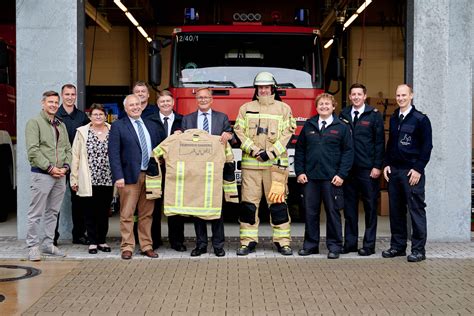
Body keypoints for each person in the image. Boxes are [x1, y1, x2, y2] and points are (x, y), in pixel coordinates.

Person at [233, 71, 296, 256]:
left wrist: (270, 153)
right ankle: (248, 242)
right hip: (251, 167)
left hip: (275, 167)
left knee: (278, 205)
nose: (263, 90)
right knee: (248, 206)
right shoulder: (245, 108)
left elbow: (287, 134)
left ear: (273, 88)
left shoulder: (284, 109)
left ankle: (283, 242)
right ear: (256, 89)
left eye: (267, 87)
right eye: (260, 87)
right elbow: (239, 132)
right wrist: (254, 150)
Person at [295, 93, 353, 259]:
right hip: (310, 178)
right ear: (316, 107)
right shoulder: (309, 125)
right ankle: (310, 245)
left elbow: (348, 152)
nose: (324, 107)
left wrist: (341, 174)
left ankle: (334, 246)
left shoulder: (341, 127)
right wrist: (300, 172)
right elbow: (300, 150)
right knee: (310, 213)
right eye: (321, 104)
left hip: (332, 178)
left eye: (327, 104)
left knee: (333, 213)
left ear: (333, 107)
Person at [382, 84, 432, 262]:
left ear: (411, 96)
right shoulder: (395, 117)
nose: (400, 98)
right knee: (396, 211)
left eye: (404, 95)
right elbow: (391, 143)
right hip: (394, 172)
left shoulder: (421, 119)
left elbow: (427, 147)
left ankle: (419, 250)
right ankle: (398, 246)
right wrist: (386, 163)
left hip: (412, 172)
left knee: (416, 210)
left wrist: (418, 168)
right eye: (398, 95)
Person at [108, 94, 162, 259]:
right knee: (127, 213)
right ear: (126, 108)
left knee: (147, 213)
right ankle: (127, 246)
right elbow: (114, 153)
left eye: (138, 104)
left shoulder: (151, 125)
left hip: (150, 176)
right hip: (129, 176)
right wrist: (118, 176)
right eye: (131, 105)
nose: (135, 107)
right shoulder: (118, 126)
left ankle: (146, 245)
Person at [181, 87, 233, 257]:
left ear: (212, 100)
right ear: (196, 100)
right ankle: (201, 244)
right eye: (199, 97)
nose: (202, 100)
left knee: (216, 208)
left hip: (215, 171)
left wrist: (228, 134)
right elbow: (183, 145)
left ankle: (218, 245)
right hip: (195, 171)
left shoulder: (222, 118)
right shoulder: (187, 120)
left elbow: (232, 137)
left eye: (206, 97)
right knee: (198, 210)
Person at [339, 83, 384, 256]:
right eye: (353, 94)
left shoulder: (374, 115)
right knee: (349, 208)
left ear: (365, 96)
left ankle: (369, 245)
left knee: (370, 207)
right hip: (349, 170)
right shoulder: (343, 114)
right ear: (350, 97)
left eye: (359, 94)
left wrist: (377, 166)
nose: (356, 97)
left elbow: (380, 142)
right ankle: (350, 243)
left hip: (368, 169)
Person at [25, 90, 71, 261]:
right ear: (42, 103)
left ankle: (48, 244)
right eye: (50, 102)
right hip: (42, 175)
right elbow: (33, 151)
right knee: (35, 213)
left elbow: (67, 149)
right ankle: (33, 247)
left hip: (60, 175)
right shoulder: (34, 123)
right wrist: (50, 168)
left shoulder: (61, 124)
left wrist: (65, 167)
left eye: (55, 102)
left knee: (52, 212)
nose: (53, 105)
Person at [70, 104, 113, 254]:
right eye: (95, 114)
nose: (98, 117)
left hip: (108, 178)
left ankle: (102, 240)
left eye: (101, 114)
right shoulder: (82, 132)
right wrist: (74, 179)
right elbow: (75, 156)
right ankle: (93, 241)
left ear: (105, 116)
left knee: (104, 211)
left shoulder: (112, 130)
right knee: (89, 211)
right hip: (88, 178)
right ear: (90, 117)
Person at [148, 90, 186, 251]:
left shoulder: (182, 121)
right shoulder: (149, 120)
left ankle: (177, 241)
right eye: (162, 101)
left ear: (173, 103)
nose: (165, 104)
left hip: (176, 169)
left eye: (168, 101)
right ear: (157, 104)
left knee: (176, 205)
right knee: (154, 206)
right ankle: (155, 240)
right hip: (156, 168)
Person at [55, 84, 90, 245]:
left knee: (79, 202)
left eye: (73, 94)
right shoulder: (55, 115)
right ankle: (53, 236)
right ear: (62, 95)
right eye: (67, 94)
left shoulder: (82, 117)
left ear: (76, 96)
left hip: (76, 165)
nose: (70, 97)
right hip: (59, 164)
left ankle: (79, 235)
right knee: (54, 202)